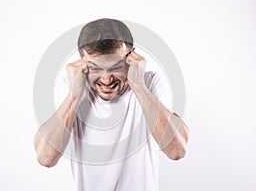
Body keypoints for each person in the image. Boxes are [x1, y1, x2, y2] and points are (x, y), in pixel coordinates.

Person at [33, 18, 189, 191]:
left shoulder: (150, 82)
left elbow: (177, 150)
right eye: (96, 68)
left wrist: (138, 85)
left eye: (116, 67)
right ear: (81, 61)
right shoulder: (70, 84)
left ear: (132, 57)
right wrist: (74, 96)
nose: (106, 80)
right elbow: (46, 157)